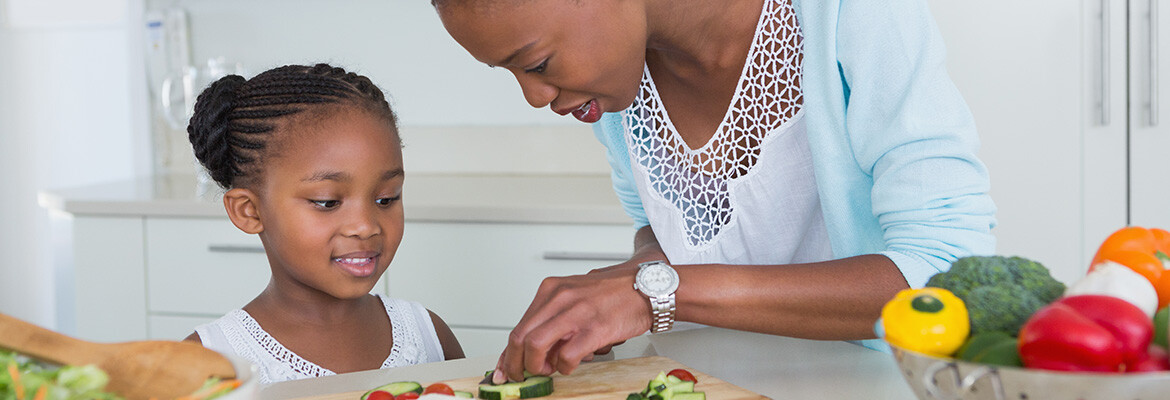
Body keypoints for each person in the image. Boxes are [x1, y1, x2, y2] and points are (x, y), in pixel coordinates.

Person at [432, 0, 996, 384]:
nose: (533, 97)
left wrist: (653, 294)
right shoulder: (615, 85)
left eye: (535, 63)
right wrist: (627, 283)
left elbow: (950, 277)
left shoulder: (848, 14)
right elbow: (666, 230)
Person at [182, 63, 464, 384]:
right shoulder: (210, 362)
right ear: (250, 211)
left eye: (386, 198)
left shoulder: (429, 336)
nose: (365, 226)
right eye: (328, 202)